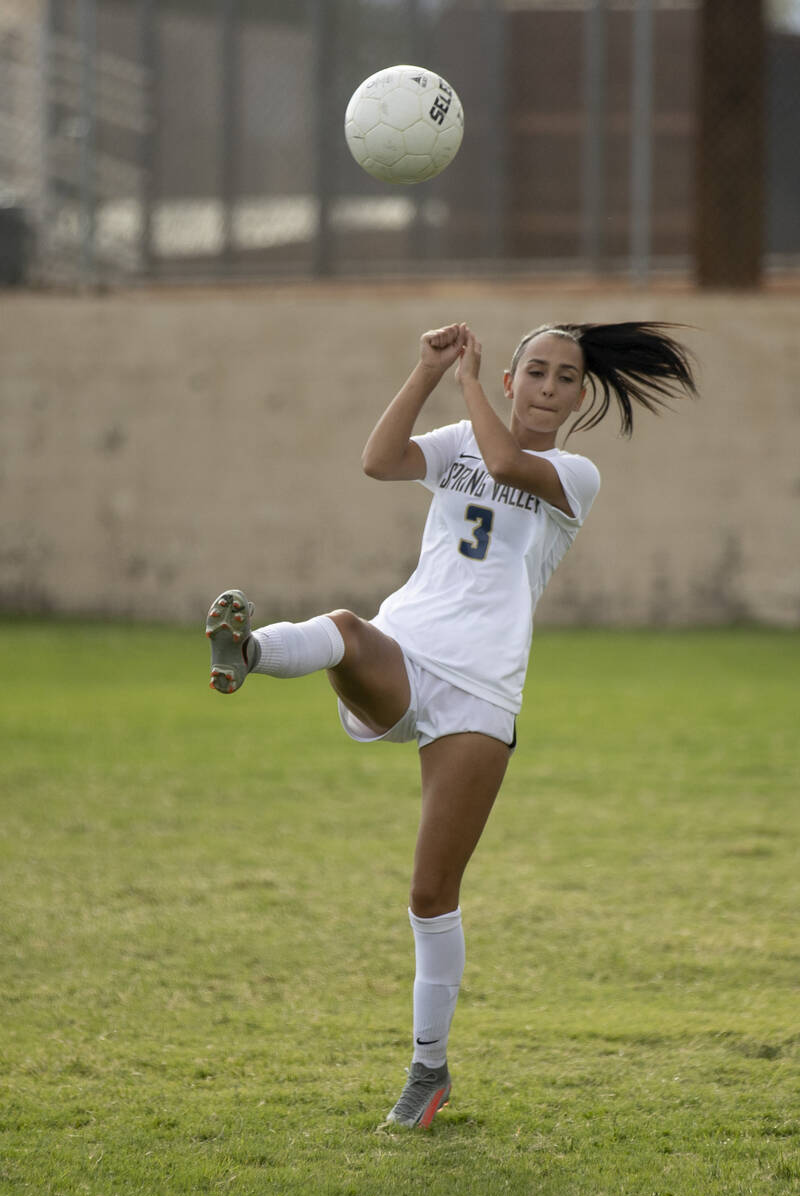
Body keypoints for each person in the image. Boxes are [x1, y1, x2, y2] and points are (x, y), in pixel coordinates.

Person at [205, 320, 696, 1129]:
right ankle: (247, 651)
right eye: (532, 371)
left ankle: (428, 1071)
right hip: (407, 653)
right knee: (345, 628)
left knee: (432, 893)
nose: (546, 386)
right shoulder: (462, 434)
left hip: (481, 692)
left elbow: (505, 461)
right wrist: (427, 372)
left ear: (579, 396)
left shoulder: (575, 472)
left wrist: (466, 382)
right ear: (511, 380)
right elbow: (378, 460)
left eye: (563, 377)